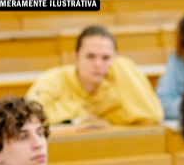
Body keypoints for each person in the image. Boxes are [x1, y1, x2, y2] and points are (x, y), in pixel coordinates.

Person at [26, 26, 163, 125]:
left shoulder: (112, 92)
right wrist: (79, 111)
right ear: (76, 57)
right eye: (90, 56)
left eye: (106, 58)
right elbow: (29, 113)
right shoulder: (55, 78)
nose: (98, 64)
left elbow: (151, 116)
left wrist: (121, 64)